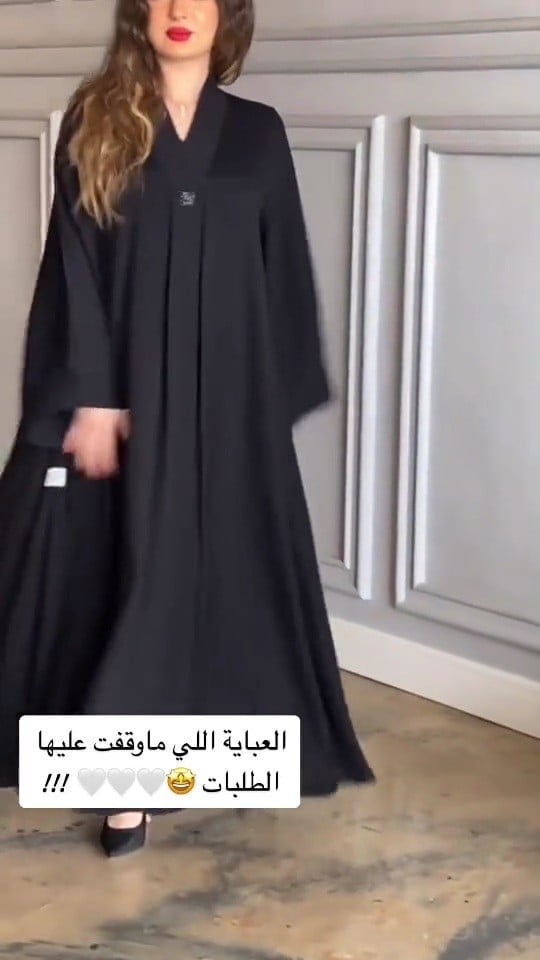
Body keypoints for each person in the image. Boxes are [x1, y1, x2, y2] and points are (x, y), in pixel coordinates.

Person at [0, 0, 374, 857]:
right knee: (135, 581)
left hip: (233, 400)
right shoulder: (98, 121)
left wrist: (269, 403)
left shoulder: (258, 132)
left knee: (222, 584)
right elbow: (74, 267)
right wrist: (93, 395)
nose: (179, 9)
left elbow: (284, 267)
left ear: (226, 14)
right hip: (131, 401)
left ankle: (198, 765)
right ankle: (124, 787)